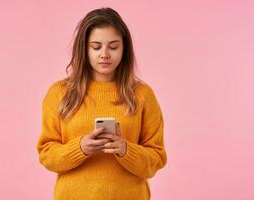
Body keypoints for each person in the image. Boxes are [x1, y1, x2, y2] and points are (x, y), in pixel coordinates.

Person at [36, 7, 167, 200]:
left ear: (124, 48)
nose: (104, 54)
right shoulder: (59, 93)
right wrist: (80, 148)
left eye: (113, 46)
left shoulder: (142, 94)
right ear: (84, 49)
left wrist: (125, 149)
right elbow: (47, 156)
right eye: (96, 47)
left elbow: (156, 159)